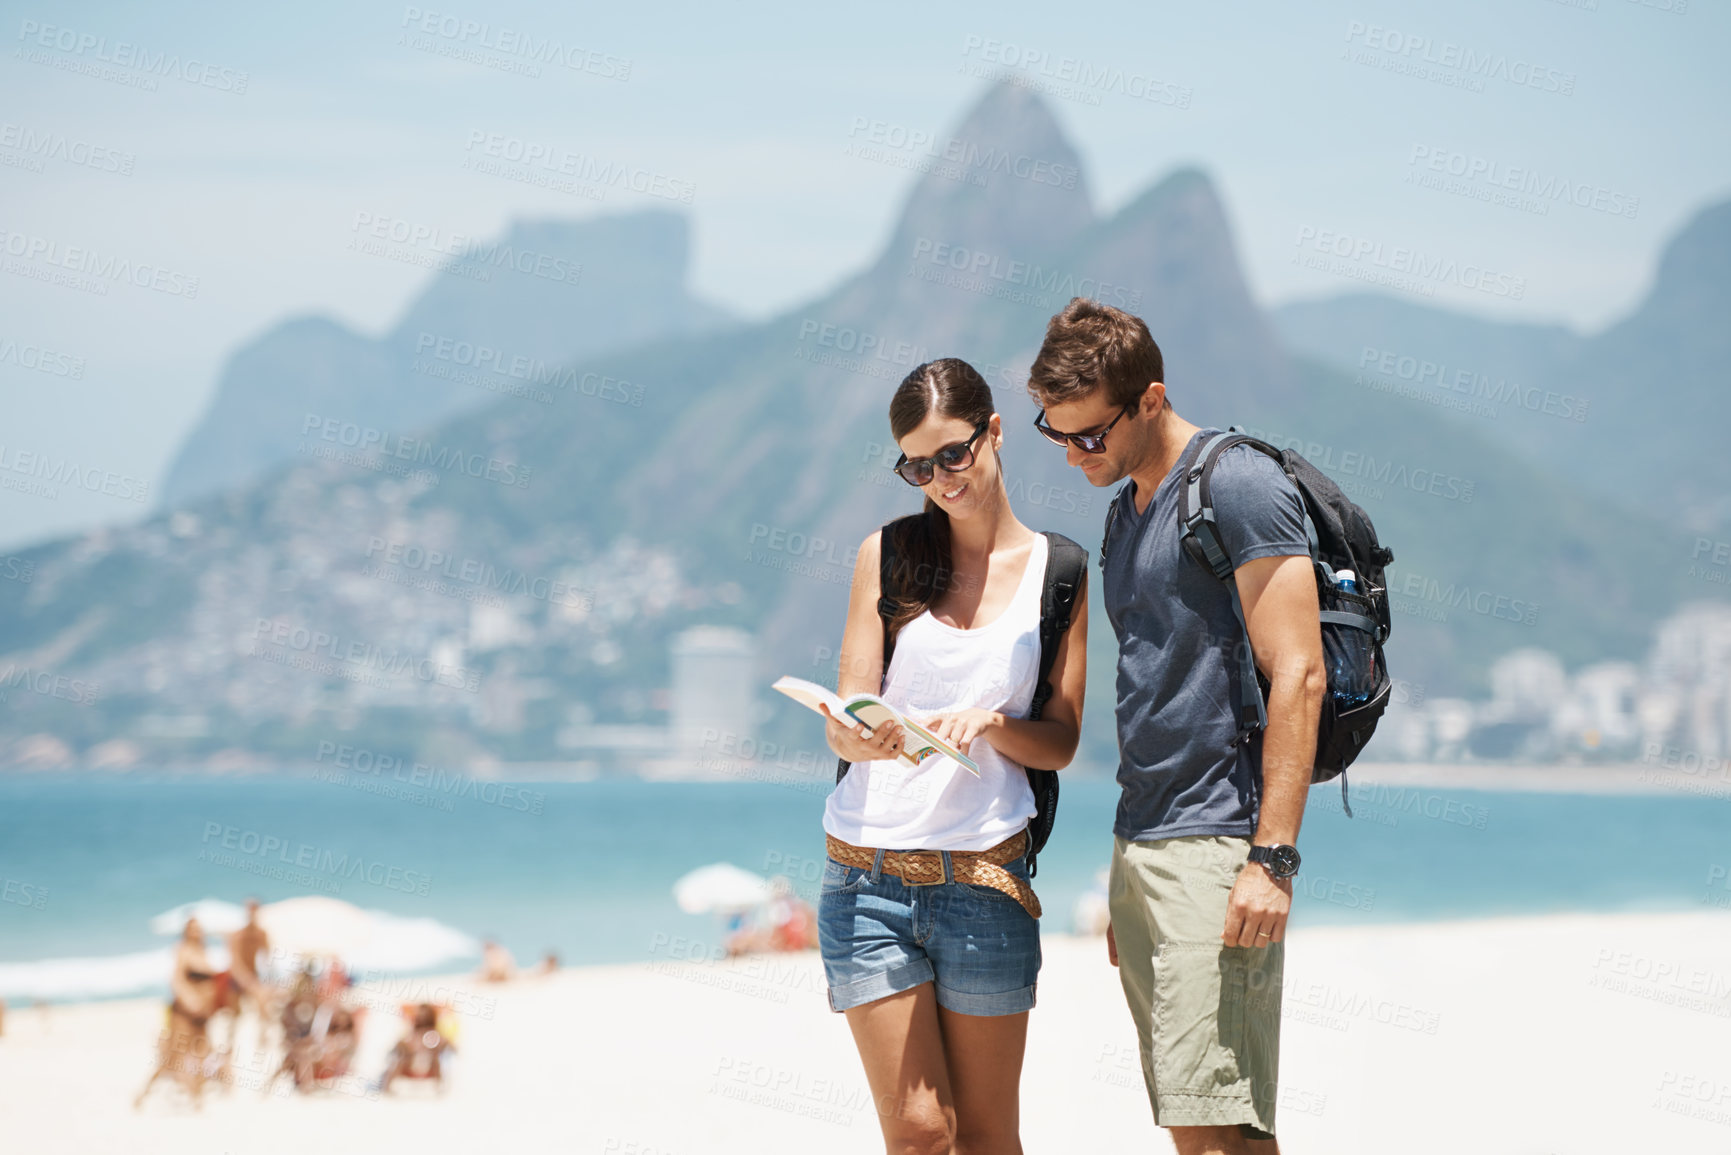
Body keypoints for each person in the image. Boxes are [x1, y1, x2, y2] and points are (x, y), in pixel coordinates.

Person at [1026, 298, 1324, 1154]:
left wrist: (1271, 856)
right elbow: (1150, 688)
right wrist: (1128, 866)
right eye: (1059, 435)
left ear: (1150, 399)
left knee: (1214, 1127)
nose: (1077, 455)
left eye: (1091, 435)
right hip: (1147, 846)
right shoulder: (1126, 511)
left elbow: (1297, 672)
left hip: (1220, 841)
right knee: (1205, 1126)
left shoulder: (1234, 484)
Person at [817, 357, 1088, 1155]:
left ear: (995, 431)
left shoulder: (1060, 571)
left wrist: (994, 724)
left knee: (988, 1140)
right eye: (917, 464)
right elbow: (845, 712)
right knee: (920, 1134)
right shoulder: (888, 552)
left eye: (953, 453)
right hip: (866, 877)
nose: (939, 478)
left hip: (987, 882)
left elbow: (1063, 740)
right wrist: (856, 733)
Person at [226, 898, 272, 1052]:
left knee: (263, 1001)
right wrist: (245, 979)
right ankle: (230, 1043)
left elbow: (267, 958)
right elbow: (235, 962)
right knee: (234, 1014)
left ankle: (263, 1038)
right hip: (238, 977)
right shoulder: (238, 935)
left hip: (252, 975)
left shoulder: (261, 934)